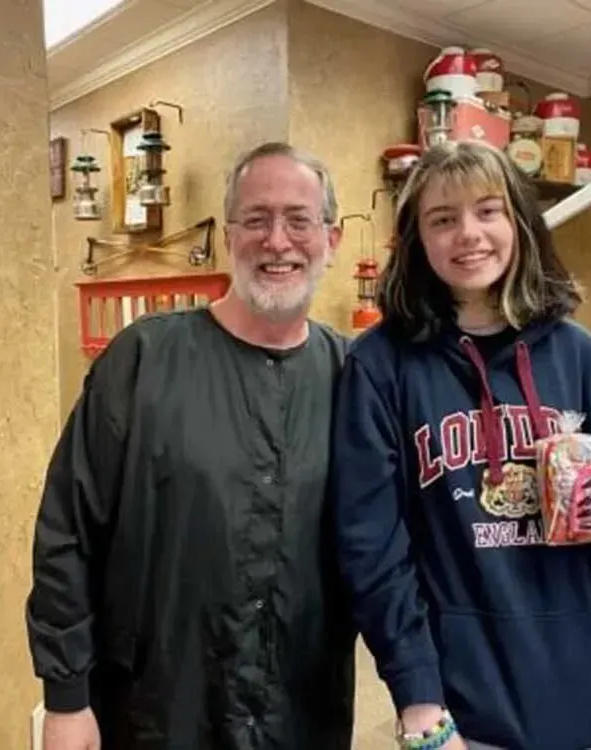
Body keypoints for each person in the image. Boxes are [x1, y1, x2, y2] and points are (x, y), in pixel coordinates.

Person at [25, 141, 355, 750]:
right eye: (256, 219)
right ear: (230, 236)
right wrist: (65, 699)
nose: (277, 241)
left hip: (303, 714)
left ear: (331, 240)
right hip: (157, 714)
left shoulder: (354, 378)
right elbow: (67, 531)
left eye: (299, 220)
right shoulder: (143, 361)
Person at [327, 139, 591, 750]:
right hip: (466, 704)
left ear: (519, 224)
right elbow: (371, 550)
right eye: (442, 219)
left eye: (488, 210)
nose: (468, 234)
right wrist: (417, 698)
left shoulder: (581, 356)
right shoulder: (379, 366)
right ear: (417, 240)